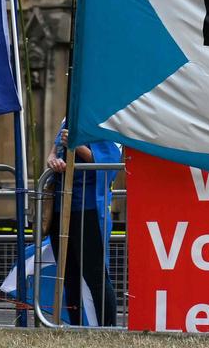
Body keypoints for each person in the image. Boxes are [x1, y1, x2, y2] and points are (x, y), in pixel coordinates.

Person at [45, 119, 120, 326]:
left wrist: (77, 146)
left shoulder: (108, 118)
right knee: (68, 276)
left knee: (95, 276)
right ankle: (74, 327)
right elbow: (54, 151)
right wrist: (53, 160)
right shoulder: (67, 117)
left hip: (88, 208)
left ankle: (108, 330)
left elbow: (110, 165)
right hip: (61, 205)